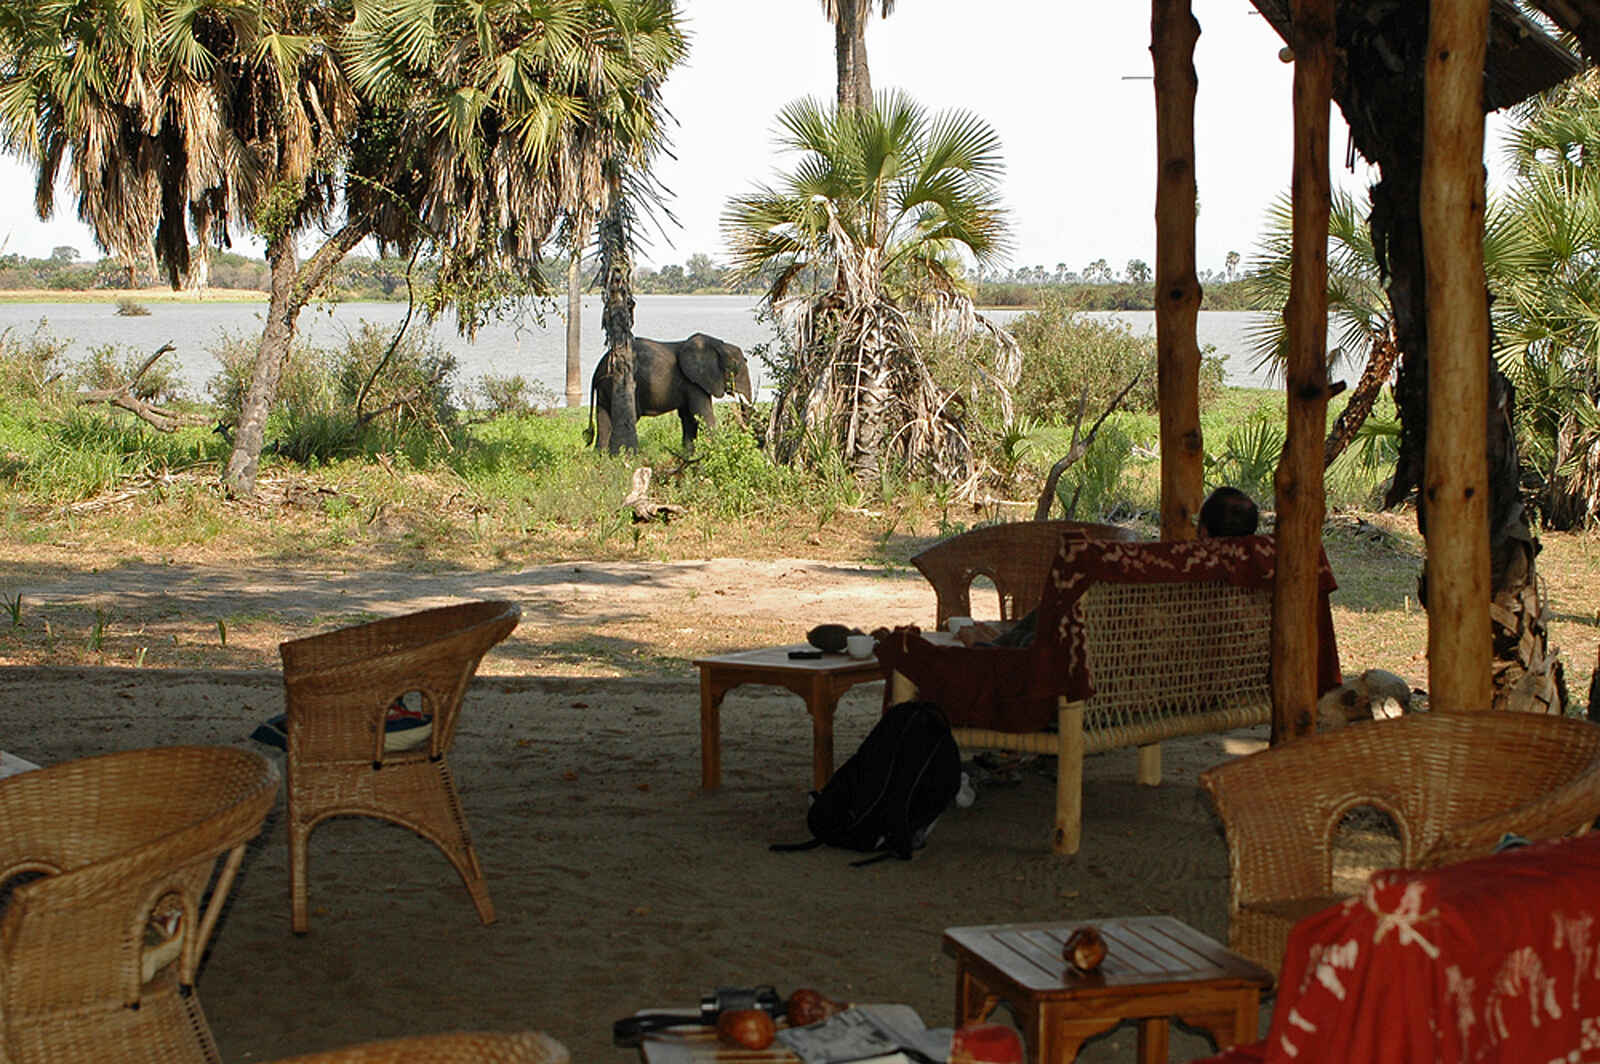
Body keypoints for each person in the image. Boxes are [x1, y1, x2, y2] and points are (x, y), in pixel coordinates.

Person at [956, 487, 1260, 648]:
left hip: (1097, 669)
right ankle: (995, 642)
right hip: (1176, 680)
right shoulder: (1255, 570)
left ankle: (989, 646)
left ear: (1204, 532)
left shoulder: (1175, 571)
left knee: (1067, 606)